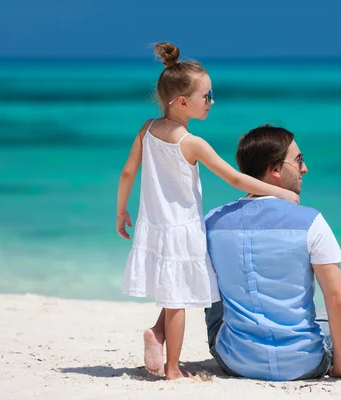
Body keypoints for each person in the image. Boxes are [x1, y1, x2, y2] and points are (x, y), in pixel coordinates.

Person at [116, 44, 299, 381]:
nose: (211, 101)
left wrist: (120, 211)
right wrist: (280, 191)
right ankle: (172, 370)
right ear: (182, 102)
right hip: (181, 228)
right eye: (206, 96)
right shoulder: (192, 143)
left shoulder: (147, 129)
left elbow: (128, 172)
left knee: (173, 293)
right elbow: (233, 177)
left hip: (154, 225)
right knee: (179, 300)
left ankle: (156, 334)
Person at [204, 124, 341, 381]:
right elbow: (338, 302)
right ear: (275, 169)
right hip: (303, 363)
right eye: (298, 161)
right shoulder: (311, 221)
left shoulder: (211, 222)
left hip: (236, 361)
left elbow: (193, 288)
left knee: (216, 284)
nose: (304, 169)